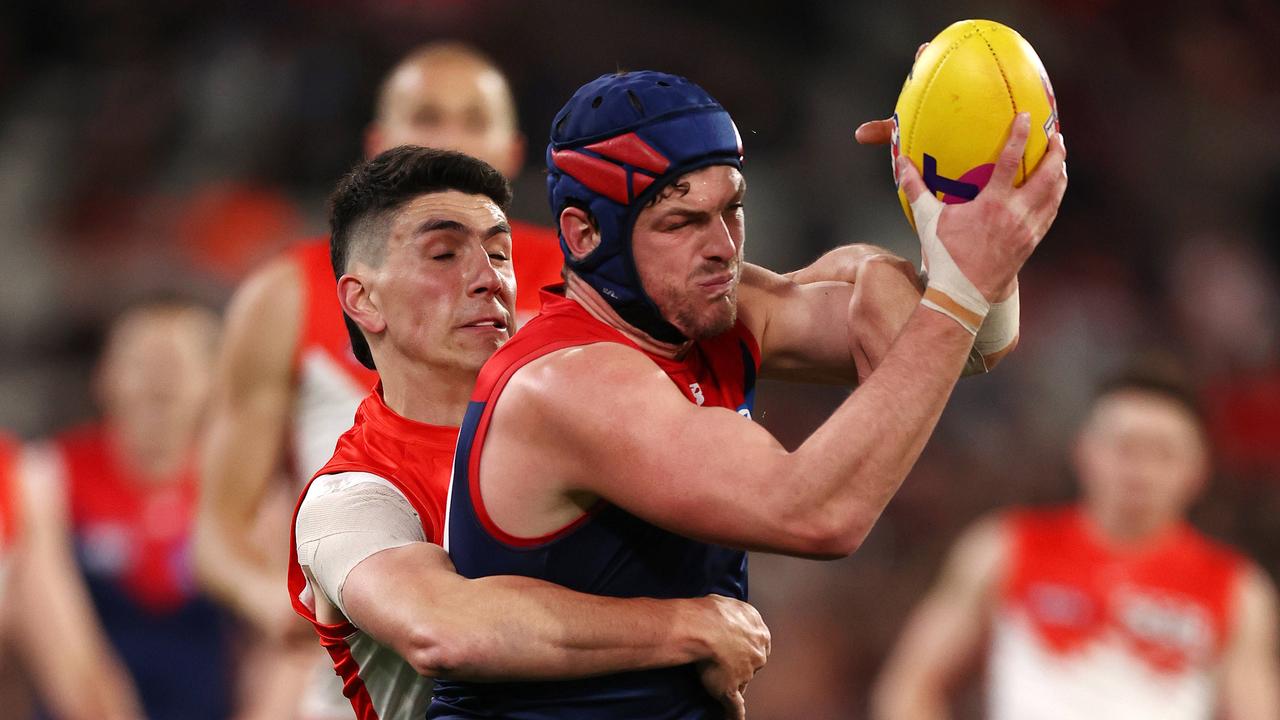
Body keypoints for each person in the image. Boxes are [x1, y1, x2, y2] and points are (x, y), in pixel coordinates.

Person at [435, 69, 1066, 717]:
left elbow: (969, 345)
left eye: (732, 208)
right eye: (681, 222)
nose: (723, 248)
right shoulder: (568, 381)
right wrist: (958, 293)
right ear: (584, 234)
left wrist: (961, 189)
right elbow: (816, 514)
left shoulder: (722, 311)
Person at [291, 145, 771, 720]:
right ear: (363, 299)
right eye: (444, 254)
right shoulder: (349, 500)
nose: (488, 279)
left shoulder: (581, 413)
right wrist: (690, 626)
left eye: (499, 253)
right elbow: (442, 629)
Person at [193, 41, 565, 719]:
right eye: (426, 117)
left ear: (511, 151)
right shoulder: (287, 295)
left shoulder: (569, 286)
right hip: (361, 668)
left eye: (473, 120)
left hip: (536, 654)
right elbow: (218, 528)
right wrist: (289, 605)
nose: (451, 139)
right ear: (378, 144)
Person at [871, 367, 1280, 720]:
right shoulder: (1004, 547)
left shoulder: (1239, 589)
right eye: (1126, 448)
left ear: (1198, 470)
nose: (1140, 471)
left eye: (1163, 453)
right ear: (1084, 451)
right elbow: (910, 685)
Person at [18, 300, 230, 720]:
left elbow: (281, 651)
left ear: (217, 382)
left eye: (178, 365)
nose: (159, 385)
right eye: (140, 364)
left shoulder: (248, 489)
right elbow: (66, 653)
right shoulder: (46, 477)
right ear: (103, 377)